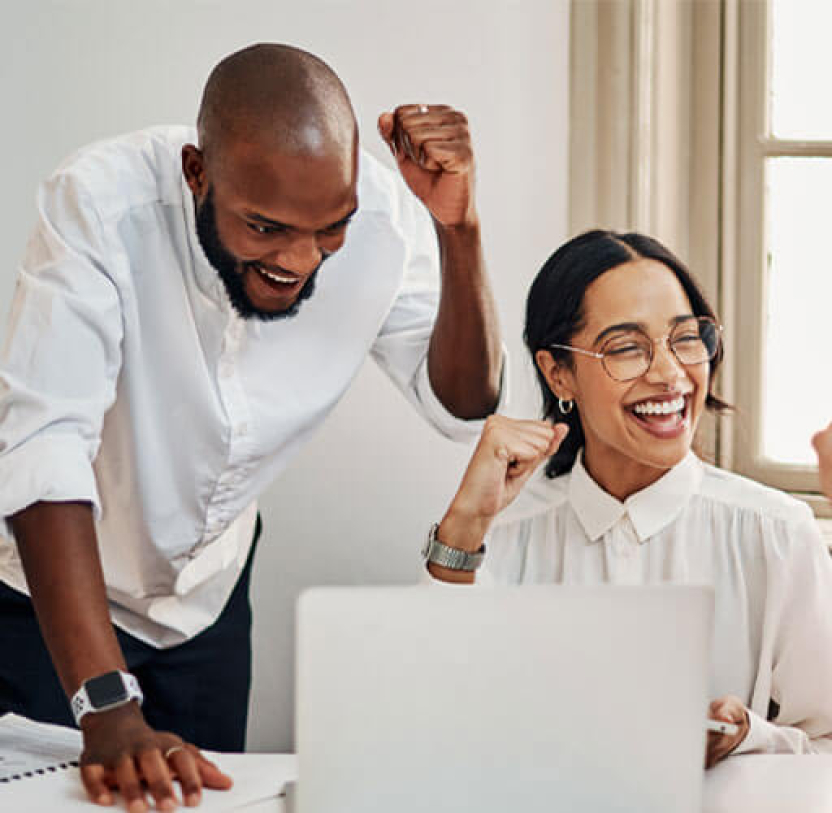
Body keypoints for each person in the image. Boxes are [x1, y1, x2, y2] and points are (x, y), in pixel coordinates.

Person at [0, 43, 503, 810]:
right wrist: (105, 702)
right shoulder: (98, 203)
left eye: (329, 230)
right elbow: (44, 446)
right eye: (265, 227)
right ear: (196, 172)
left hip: (208, 603)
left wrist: (458, 228)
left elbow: (464, 402)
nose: (299, 260)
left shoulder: (385, 214)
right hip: (52, 599)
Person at [422, 230, 832, 765]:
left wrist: (748, 739)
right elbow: (429, 732)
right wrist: (464, 524)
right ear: (559, 373)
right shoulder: (503, 537)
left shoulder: (776, 534)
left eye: (686, 338)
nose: (670, 373)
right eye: (627, 347)